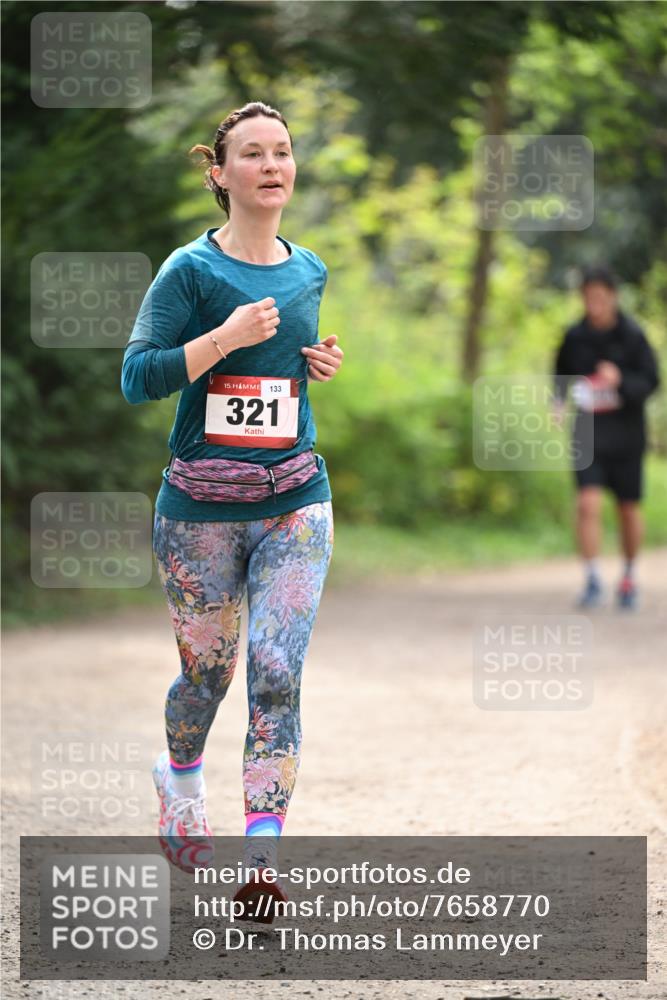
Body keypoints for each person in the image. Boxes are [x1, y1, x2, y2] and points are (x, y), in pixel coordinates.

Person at [120, 102, 344, 912]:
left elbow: (279, 381)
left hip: (295, 498)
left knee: (277, 674)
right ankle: (178, 781)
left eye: (282, 151)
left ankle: (261, 863)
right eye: (251, 153)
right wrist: (224, 335)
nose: (271, 164)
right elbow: (138, 376)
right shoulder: (190, 271)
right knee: (205, 677)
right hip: (198, 510)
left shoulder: (309, 268)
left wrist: (315, 363)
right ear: (220, 174)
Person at [553, 264, 660, 610]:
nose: (593, 304)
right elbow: (559, 374)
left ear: (612, 297)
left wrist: (620, 381)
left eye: (599, 297)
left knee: (628, 509)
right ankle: (593, 578)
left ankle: (628, 575)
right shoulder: (575, 336)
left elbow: (652, 381)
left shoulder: (632, 335)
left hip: (627, 434)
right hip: (588, 432)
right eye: (588, 298)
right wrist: (557, 402)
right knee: (587, 503)